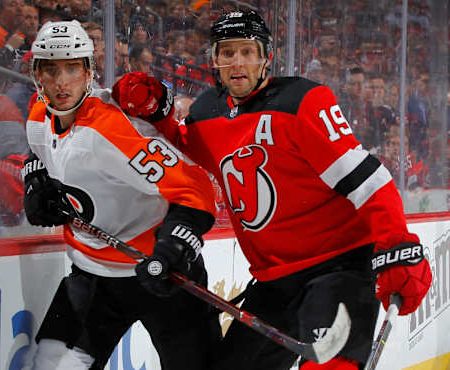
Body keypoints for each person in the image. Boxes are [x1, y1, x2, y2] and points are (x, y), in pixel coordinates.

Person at [112, 10, 433, 370]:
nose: (237, 62)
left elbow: (366, 180)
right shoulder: (205, 115)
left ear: (266, 56)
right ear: (214, 60)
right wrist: (156, 115)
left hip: (339, 269)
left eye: (247, 51)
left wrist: (397, 243)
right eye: (227, 52)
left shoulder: (303, 101)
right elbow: (180, 150)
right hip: (274, 282)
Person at [24, 20, 220, 369]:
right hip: (91, 276)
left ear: (89, 72)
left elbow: (196, 187)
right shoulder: (37, 116)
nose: (61, 81)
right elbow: (39, 154)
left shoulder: (115, 130)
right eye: (51, 70)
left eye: (72, 68)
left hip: (160, 277)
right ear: (36, 73)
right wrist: (35, 181)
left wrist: (177, 242)